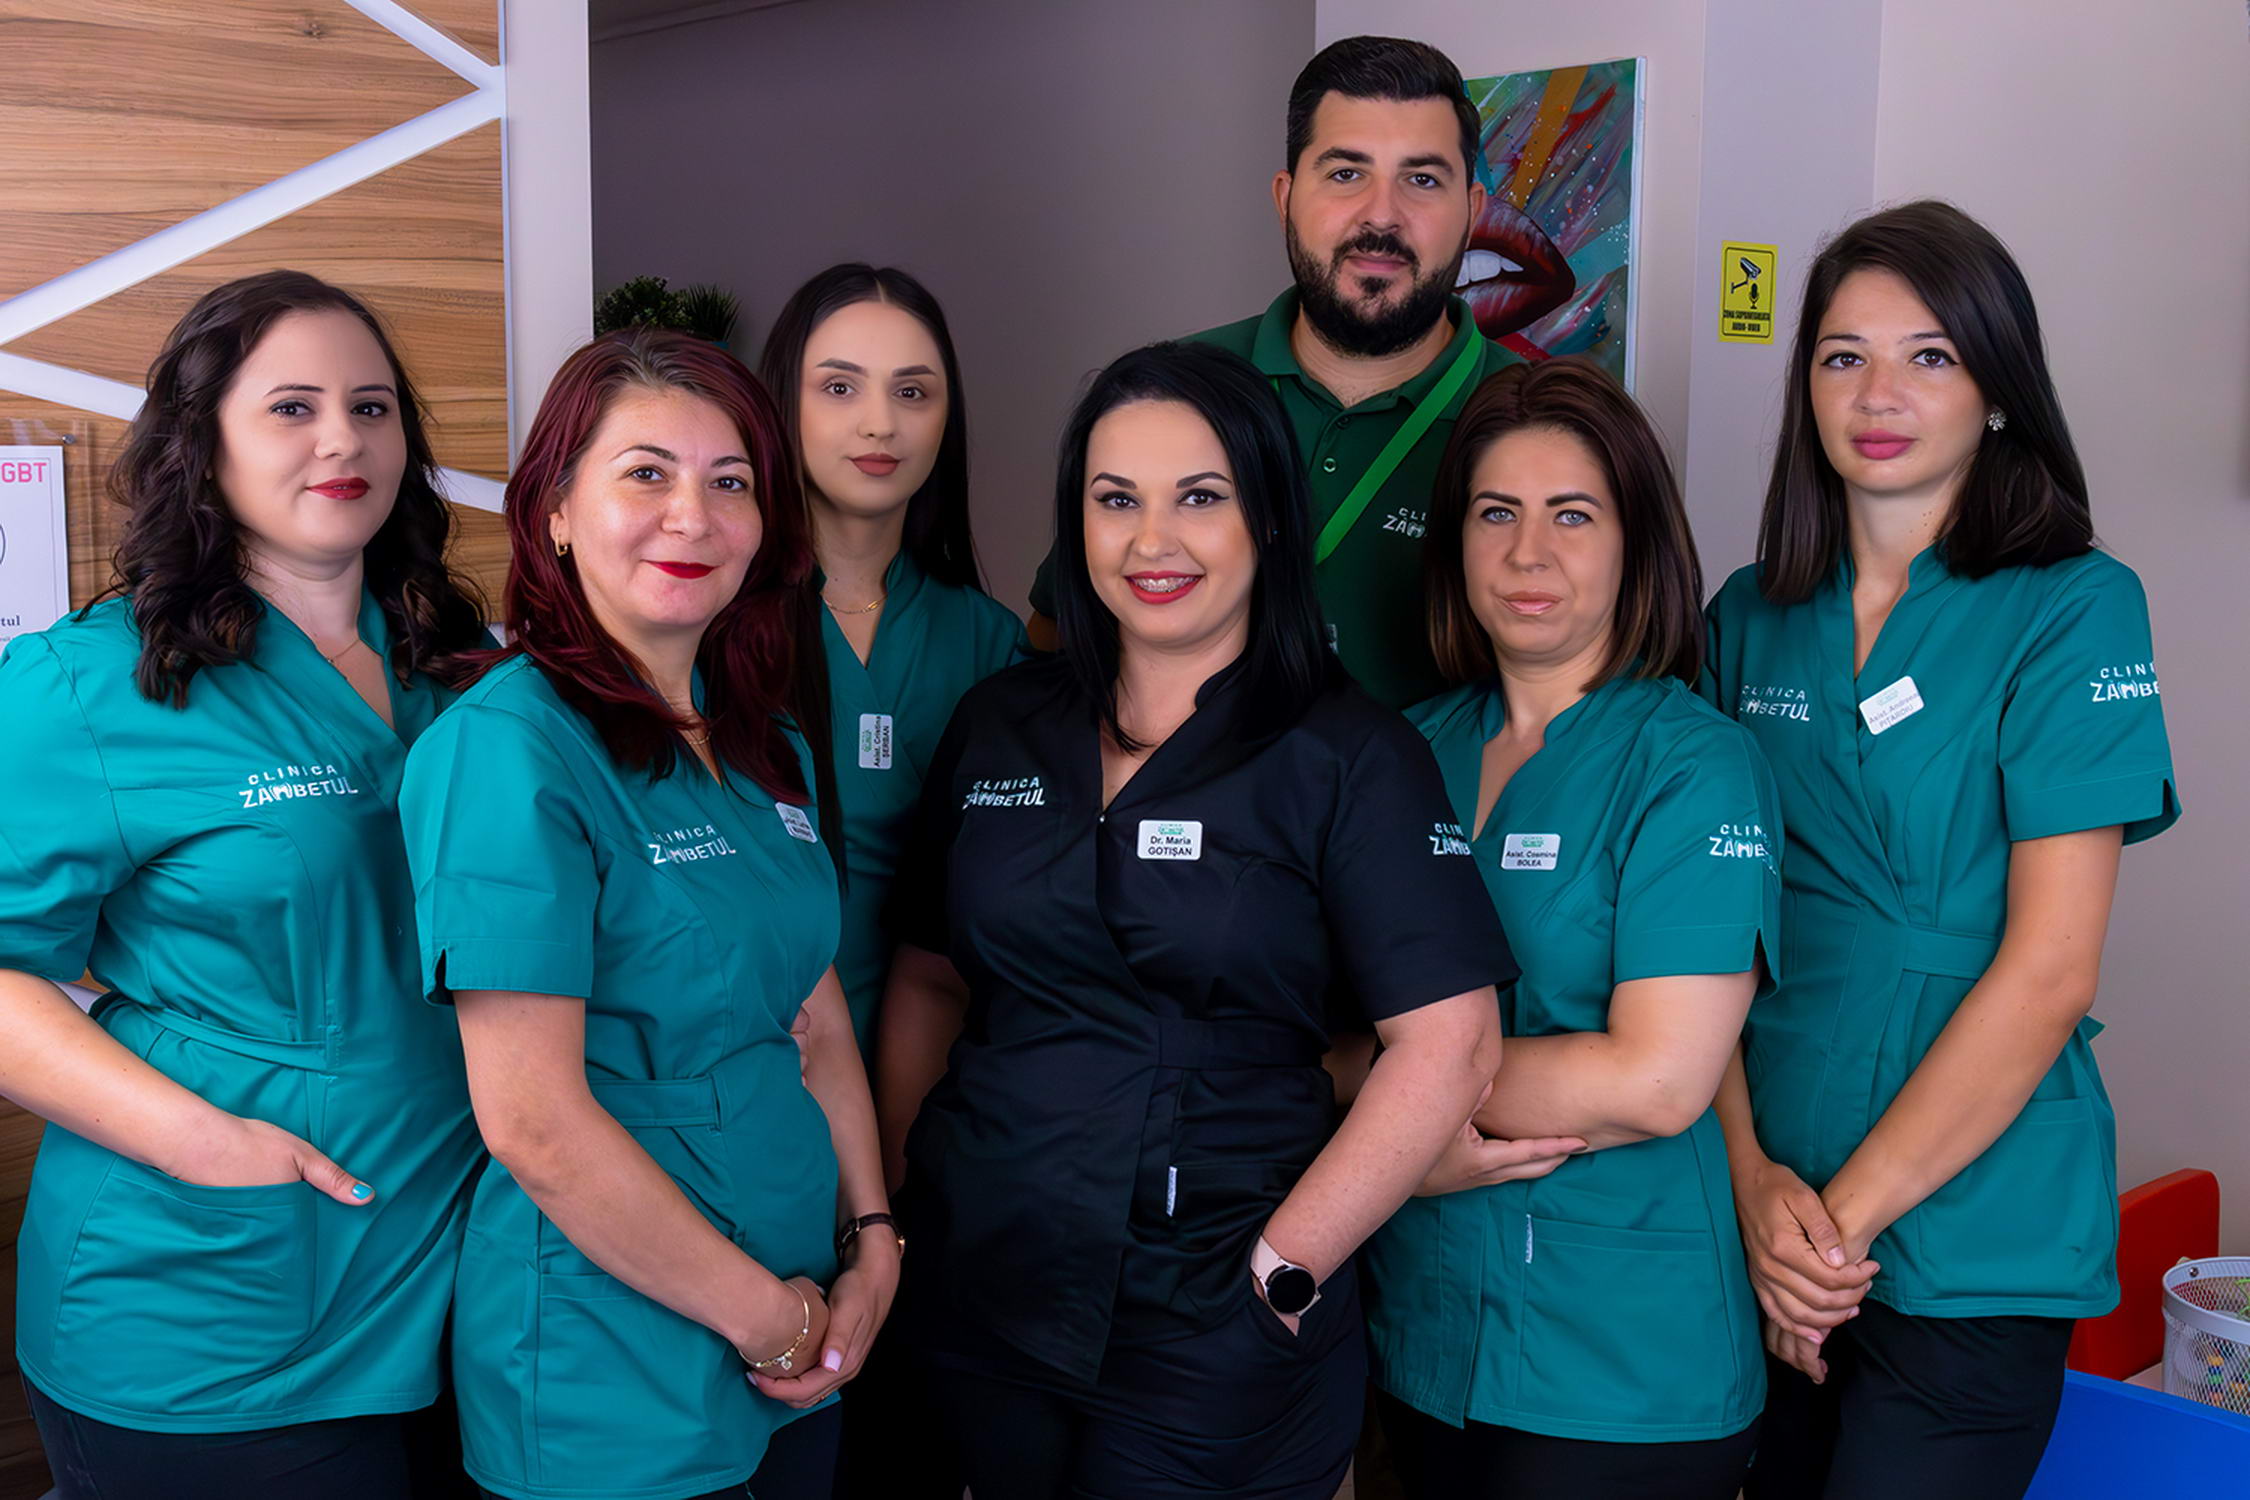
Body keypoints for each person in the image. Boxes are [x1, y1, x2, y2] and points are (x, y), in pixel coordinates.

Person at [874, 340, 1511, 1498]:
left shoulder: (1349, 753)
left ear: (1266, 518)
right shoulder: (999, 722)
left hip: (1216, 1319)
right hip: (984, 1295)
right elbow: (927, 975)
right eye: (1116, 500)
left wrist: (1284, 1273)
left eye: (1199, 498)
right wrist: (913, 1194)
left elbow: (1452, 1042)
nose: (1151, 542)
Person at [1703, 200, 2181, 1500]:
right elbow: (1700, 940)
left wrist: (1834, 1238)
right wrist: (1751, 1185)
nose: (1878, 394)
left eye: (1930, 355)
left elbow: (2050, 971)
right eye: (1841, 355)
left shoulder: (2074, 607)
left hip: (1973, 1219)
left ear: (1999, 389)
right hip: (1768, 1186)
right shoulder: (1748, 616)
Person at [0, 270, 490, 1499]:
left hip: (455, 1286)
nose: (343, 440)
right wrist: (206, 1144)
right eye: (292, 407)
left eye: (372, 407)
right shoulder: (92, 684)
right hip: (211, 1305)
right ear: (201, 442)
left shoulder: (456, 669)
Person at [397, 330, 897, 1500]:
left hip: (804, 1310)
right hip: (611, 1357)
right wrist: (769, 1318)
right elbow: (534, 1124)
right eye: (647, 474)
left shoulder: (763, 742)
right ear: (556, 513)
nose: (693, 517)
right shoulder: (505, 750)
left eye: (730, 483)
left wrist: (872, 1240)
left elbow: (816, 1015)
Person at [1352, 358, 1781, 1498]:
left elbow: (1657, 1081)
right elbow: (1306, 1030)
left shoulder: (1694, 765)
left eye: (1572, 515)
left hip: (1621, 1364)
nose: (1527, 554)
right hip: (1419, 1329)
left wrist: (1392, 1099)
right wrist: (1375, 1097)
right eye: (1495, 513)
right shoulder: (1401, 752)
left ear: (1637, 540)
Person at [1027, 34, 1524, 709]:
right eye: (1345, 173)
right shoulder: (1170, 392)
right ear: (1286, 197)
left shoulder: (1540, 421)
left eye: (1422, 179)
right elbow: (1057, 640)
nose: (1382, 215)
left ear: (1472, 209)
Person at [757, 262, 1025, 1057]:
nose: (880, 424)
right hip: (763, 1051)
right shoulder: (716, 624)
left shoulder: (988, 639)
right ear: (782, 403)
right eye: (839, 387)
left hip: (946, 1054)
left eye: (912, 392)